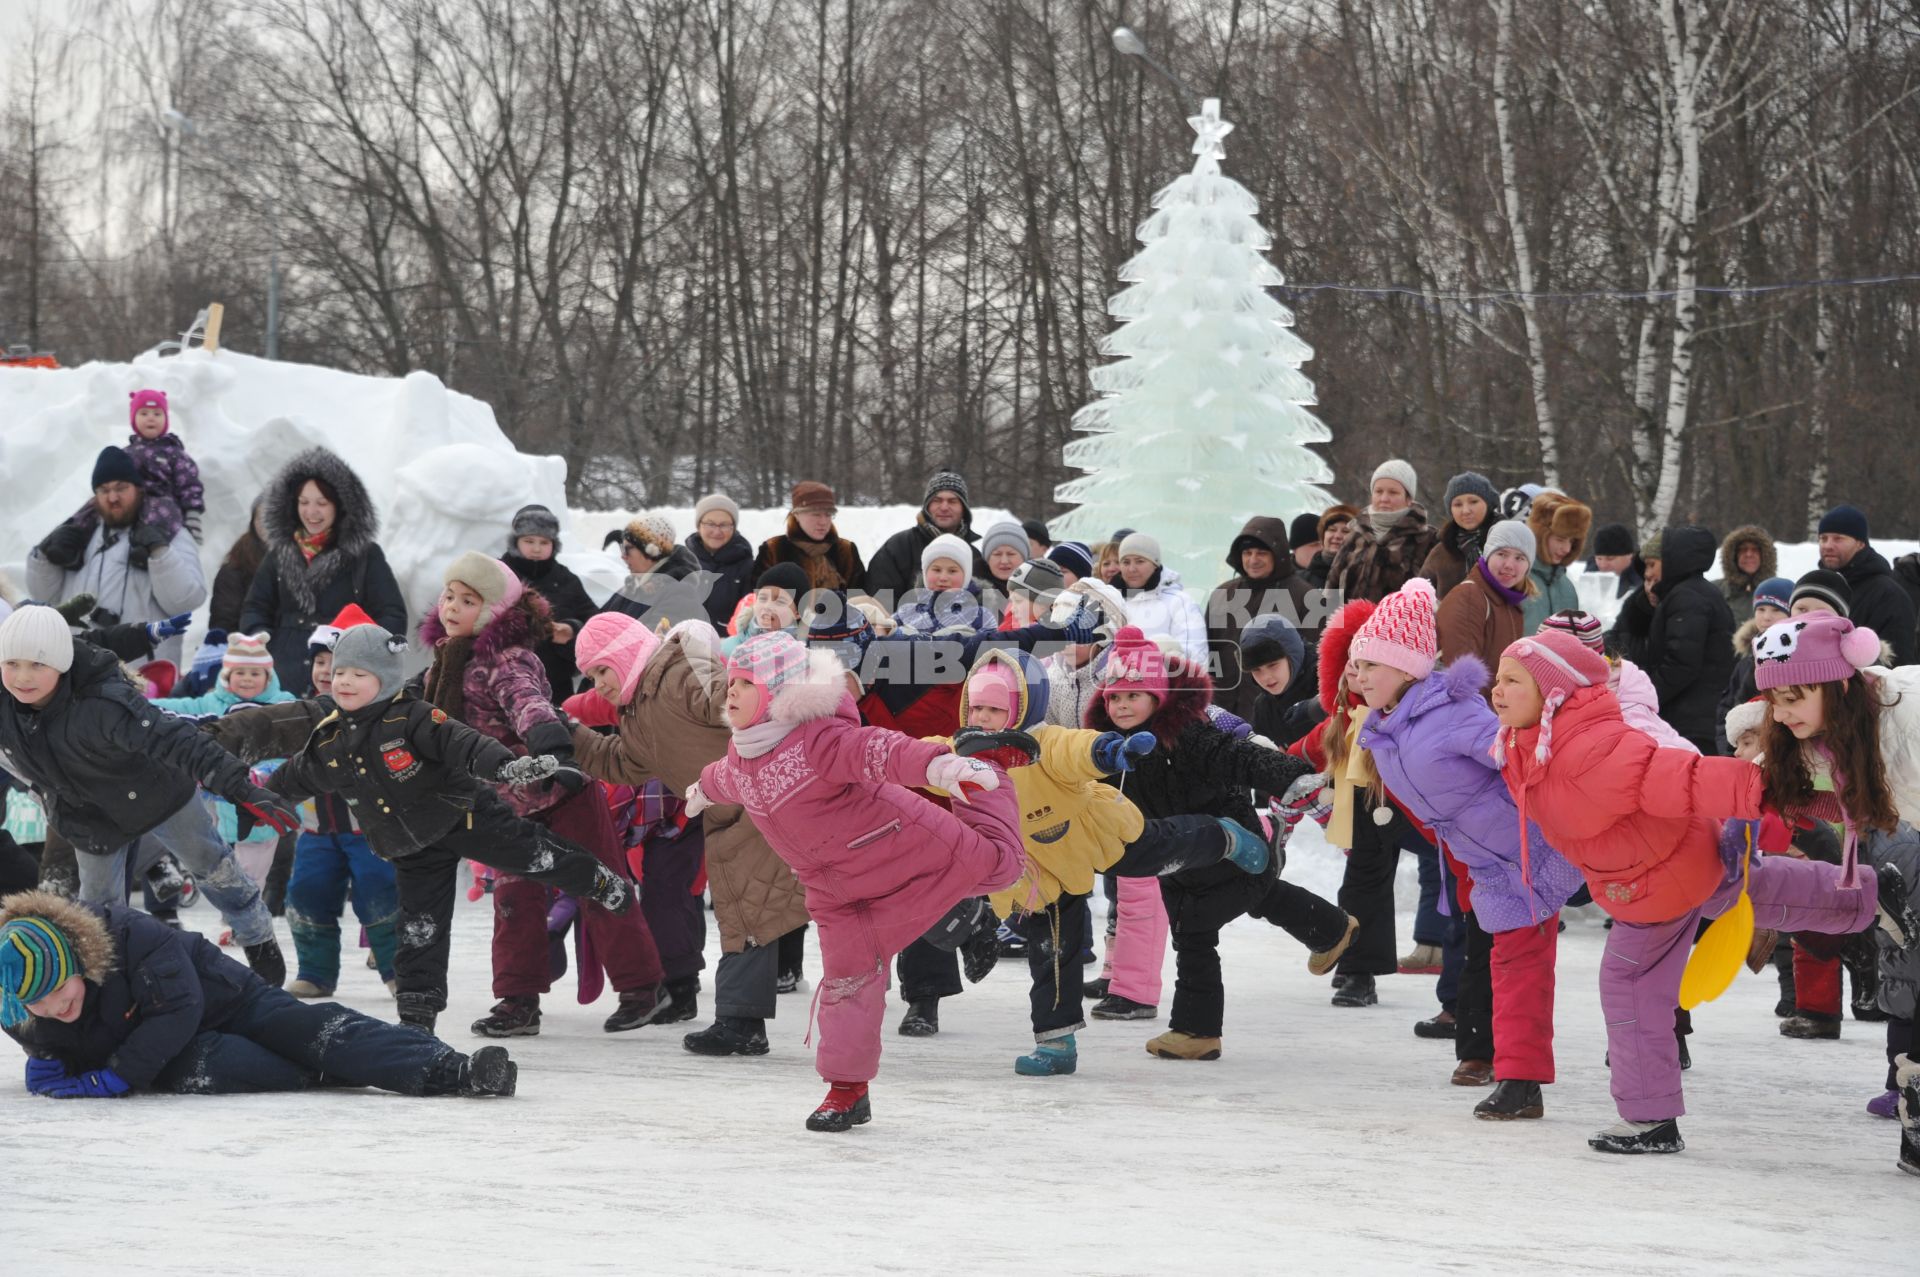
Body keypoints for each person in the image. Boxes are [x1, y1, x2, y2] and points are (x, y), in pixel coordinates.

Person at [1491, 627, 1894, 1154]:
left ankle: (1650, 1119)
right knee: (1757, 889)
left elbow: (1685, 776)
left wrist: (1771, 789)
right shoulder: (1529, 745)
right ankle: (1872, 895)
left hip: (1656, 880)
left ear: (1554, 695)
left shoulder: (1594, 749)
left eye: (1512, 680)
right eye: (1497, 678)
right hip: (1674, 863)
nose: (1497, 690)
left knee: (1630, 984)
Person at [690, 631, 1028, 1131]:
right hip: (838, 896)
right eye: (730, 683)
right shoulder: (742, 758)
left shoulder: (820, 741)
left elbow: (881, 750)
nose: (731, 693)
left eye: (744, 683)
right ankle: (846, 1092)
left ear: (780, 692)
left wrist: (937, 764)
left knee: (1002, 865)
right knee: (847, 984)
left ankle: (988, 765)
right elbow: (724, 777)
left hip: (905, 847)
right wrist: (702, 787)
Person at [262, 622, 633, 1034]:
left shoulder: (413, 716)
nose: (345, 681)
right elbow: (293, 778)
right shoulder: (329, 739)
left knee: (536, 856)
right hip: (410, 844)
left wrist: (506, 767)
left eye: (358, 675)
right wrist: (255, 802)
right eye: (340, 673)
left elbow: (465, 743)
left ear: (383, 680)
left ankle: (598, 881)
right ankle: (417, 1017)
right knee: (420, 928)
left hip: (464, 816)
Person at [941, 648, 1275, 1075]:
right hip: (1044, 873)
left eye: (995, 708)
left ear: (1022, 707)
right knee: (1052, 954)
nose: (983, 717)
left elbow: (1078, 748)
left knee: (1157, 850)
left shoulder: (1044, 743)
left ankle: (1221, 835)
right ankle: (1057, 1043)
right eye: (977, 708)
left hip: (1097, 833)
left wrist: (1109, 751)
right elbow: (921, 757)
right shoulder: (959, 751)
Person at [1349, 581, 1585, 1119]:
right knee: (1511, 966)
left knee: (1644, 906)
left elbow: (1517, 758)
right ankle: (1520, 1081)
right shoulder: (1387, 731)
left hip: (1536, 849)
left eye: (1370, 665)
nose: (1358, 676)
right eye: (1356, 665)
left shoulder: (1452, 714)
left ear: (1407, 669)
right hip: (1491, 867)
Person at [420, 553, 670, 1037]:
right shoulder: (447, 660)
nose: (452, 606)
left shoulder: (506, 660)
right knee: (513, 900)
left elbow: (530, 705)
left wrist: (555, 752)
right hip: (507, 804)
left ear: (493, 610)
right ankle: (518, 1000)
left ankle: (643, 988)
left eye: (468, 600)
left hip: (561, 787)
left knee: (600, 884)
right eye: (449, 595)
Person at [1087, 628, 1355, 1060]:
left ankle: (1196, 1030)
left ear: (1157, 698)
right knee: (1228, 914)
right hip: (1175, 856)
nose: (1121, 706)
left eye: (1132, 697)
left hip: (1230, 841)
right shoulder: (1113, 751)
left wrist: (1293, 777)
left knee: (1215, 919)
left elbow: (1242, 756)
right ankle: (1332, 929)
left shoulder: (1189, 735)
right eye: (1114, 699)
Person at [0, 604, 290, 982]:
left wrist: (240, 787)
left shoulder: (104, 704)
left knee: (211, 864)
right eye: (12, 664)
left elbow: (177, 740)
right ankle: (110, 981)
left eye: (38, 665)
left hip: (159, 794)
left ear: (61, 663)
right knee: (98, 907)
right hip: (87, 811)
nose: (23, 677)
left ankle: (256, 935)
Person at [1, 890, 518, 1098]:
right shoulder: (18, 1001)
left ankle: (454, 1070)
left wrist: (114, 1076)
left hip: (230, 1000)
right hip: (173, 1049)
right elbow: (53, 1033)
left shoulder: (131, 934)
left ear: (77, 961)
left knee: (312, 1032)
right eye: (34, 1006)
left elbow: (179, 1008)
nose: (49, 1009)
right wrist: (48, 1053)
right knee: (225, 1067)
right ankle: (341, 1067)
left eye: (54, 991)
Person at [568, 612, 810, 1057]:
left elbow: (741, 699)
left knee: (803, 898)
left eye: (602, 670)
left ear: (624, 655)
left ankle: (956, 922)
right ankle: (741, 1024)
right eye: (590, 676)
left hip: (768, 797)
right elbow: (623, 763)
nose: (597, 683)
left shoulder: (679, 676)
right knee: (748, 910)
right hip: (728, 813)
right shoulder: (637, 713)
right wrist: (568, 736)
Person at [1749, 611, 1920, 1173]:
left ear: (1837, 683)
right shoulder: (1810, 736)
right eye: (1774, 700)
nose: (1782, 712)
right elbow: (1756, 785)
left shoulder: (1906, 711)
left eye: (1794, 697)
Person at [240, 448, 408, 695]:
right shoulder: (280, 552)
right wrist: (262, 641)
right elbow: (255, 607)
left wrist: (367, 655)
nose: (311, 512)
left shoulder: (365, 555)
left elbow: (391, 612)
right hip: (282, 676)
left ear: (340, 505)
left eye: (322, 503)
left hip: (342, 674)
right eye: (304, 502)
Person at [28, 446, 208, 667]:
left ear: (139, 489)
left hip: (144, 670)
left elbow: (187, 600)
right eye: (104, 490)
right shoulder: (81, 533)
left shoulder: (170, 532)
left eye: (121, 488)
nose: (112, 497)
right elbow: (46, 596)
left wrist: (160, 553)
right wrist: (43, 556)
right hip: (81, 666)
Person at [60, 390, 207, 546]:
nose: (151, 418)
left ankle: (148, 546)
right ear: (134, 419)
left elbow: (189, 484)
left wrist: (192, 513)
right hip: (127, 497)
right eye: (144, 414)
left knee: (164, 510)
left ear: (166, 419)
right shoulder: (126, 452)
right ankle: (69, 538)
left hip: (160, 498)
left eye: (157, 414)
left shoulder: (174, 453)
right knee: (94, 505)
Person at [1638, 526, 1738, 753]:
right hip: (1699, 716)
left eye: (1652, 564)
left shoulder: (1687, 597)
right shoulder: (1692, 592)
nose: (1647, 573)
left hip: (1693, 721)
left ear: (1673, 562)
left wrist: (1645, 696)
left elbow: (1681, 663)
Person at [1208, 516, 1317, 720]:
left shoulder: (1306, 597)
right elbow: (1210, 652)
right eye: (1247, 553)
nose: (1253, 560)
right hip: (1223, 711)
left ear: (1278, 555)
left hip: (1279, 717)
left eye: (1261, 553)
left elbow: (1314, 664)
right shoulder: (1223, 594)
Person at [499, 504, 598, 705]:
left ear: (554, 544)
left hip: (556, 687)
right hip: (502, 682)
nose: (536, 548)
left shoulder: (566, 579)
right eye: (529, 541)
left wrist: (572, 630)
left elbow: (595, 622)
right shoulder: (498, 574)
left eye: (544, 542)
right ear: (515, 542)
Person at [1816, 505, 1917, 666]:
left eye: (1838, 538)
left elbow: (1898, 666)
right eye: (1823, 538)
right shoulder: (1816, 587)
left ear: (1860, 543)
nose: (1828, 545)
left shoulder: (1888, 594)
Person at [865, 470, 985, 604]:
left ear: (963, 509)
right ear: (927, 506)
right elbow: (880, 601)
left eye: (952, 501)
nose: (944, 507)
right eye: (937, 500)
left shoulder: (974, 556)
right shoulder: (898, 547)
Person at [1326, 461, 1438, 604]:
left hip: (1399, 625)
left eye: (1393, 492)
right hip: (1351, 625)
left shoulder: (1428, 540)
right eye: (1378, 491)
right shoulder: (1355, 534)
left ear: (1409, 499)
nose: (1384, 499)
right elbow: (1331, 589)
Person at [1436, 520, 1535, 674]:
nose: (1509, 564)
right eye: (1502, 554)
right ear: (1488, 555)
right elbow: (1462, 678)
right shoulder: (1469, 597)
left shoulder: (1511, 604)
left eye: (1520, 558)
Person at [1714, 577, 1794, 754]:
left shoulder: (1795, 661)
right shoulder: (1745, 662)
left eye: (1776, 610)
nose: (1766, 617)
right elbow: (1726, 710)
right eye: (1761, 609)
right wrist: (1730, 749)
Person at [751, 482, 867, 597]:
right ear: (796, 515)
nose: (823, 522)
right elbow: (759, 600)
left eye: (828, 515)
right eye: (816, 514)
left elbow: (859, 601)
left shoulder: (846, 551)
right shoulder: (774, 549)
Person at [1113, 532, 1207, 663]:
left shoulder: (1179, 602)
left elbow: (1195, 653)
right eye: (1126, 562)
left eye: (1140, 561)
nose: (1132, 569)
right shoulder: (1112, 602)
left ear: (1155, 564)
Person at [603, 514, 709, 627]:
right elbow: (595, 627)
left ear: (651, 550)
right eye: (622, 549)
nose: (623, 556)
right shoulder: (629, 589)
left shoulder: (680, 593)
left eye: (627, 549)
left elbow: (656, 640)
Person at [1419, 472, 1500, 599]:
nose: (1466, 510)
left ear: (1488, 504)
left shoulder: (1508, 544)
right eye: (1457, 504)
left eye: (1473, 501)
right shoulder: (1441, 553)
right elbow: (1419, 598)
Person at [1520, 492, 1591, 635]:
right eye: (1560, 539)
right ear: (1539, 536)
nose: (1567, 549)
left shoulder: (1567, 587)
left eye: (1572, 541)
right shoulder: (1514, 579)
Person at [684, 494, 756, 628]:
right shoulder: (681, 562)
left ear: (733, 528)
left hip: (729, 646)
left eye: (724, 525)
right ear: (699, 526)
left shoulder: (748, 568)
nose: (717, 531)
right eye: (710, 524)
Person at [209, 497, 270, 633]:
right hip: (251, 647)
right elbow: (224, 620)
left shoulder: (306, 558)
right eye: (259, 517)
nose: (264, 524)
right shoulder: (237, 566)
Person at [1717, 525, 1777, 625]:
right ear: (1733, 556)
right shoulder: (1716, 591)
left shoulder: (1779, 591)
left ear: (1765, 556)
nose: (1749, 554)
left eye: (1755, 549)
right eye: (1743, 549)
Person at [1302, 505, 1359, 590]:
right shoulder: (1302, 580)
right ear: (1323, 535)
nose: (1337, 536)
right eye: (1332, 529)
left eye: (1345, 531)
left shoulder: (1364, 580)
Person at [977, 521, 1031, 606]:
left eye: (1011, 554)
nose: (1004, 561)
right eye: (997, 554)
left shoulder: (1040, 592)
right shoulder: (971, 594)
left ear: (1024, 557)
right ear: (987, 559)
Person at [1589, 522, 1644, 598]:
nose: (1603, 565)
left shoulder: (1644, 583)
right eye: (1599, 558)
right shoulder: (1589, 577)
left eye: (1610, 559)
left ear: (1629, 556)